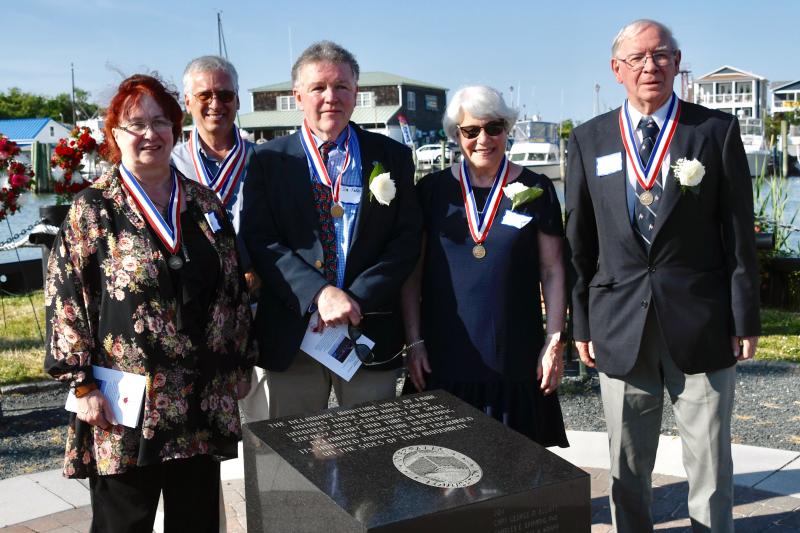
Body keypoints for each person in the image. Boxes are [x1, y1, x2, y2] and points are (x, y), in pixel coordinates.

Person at [565, 19, 761, 532]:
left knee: (711, 469)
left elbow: (738, 234)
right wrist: (580, 324)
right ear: (617, 70)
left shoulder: (714, 132)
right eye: (637, 58)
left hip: (702, 323)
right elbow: (579, 243)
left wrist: (746, 318)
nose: (649, 67)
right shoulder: (588, 140)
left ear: (677, 63)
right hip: (619, 324)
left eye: (661, 56)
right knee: (627, 470)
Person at [44, 74, 254, 533]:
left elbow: (232, 287)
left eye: (160, 122)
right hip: (125, 405)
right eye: (134, 123)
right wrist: (81, 386)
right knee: (124, 523)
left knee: (197, 522)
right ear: (114, 135)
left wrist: (239, 361)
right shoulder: (93, 209)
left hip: (201, 397)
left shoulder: (204, 202)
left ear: (175, 130)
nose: (148, 134)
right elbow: (66, 299)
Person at [240, 41, 422, 419]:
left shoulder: (392, 157)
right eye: (318, 87)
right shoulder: (268, 159)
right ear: (298, 96)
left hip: (367, 330)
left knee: (375, 452)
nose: (331, 97)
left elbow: (404, 242)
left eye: (341, 87)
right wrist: (319, 294)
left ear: (356, 93)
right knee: (294, 459)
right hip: (294, 335)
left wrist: (355, 298)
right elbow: (261, 240)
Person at [401, 85, 568, 447]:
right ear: (455, 135)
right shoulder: (431, 191)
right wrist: (413, 342)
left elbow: (553, 270)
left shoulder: (537, 187)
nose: (483, 139)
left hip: (515, 354)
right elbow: (412, 274)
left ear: (507, 128)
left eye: (493, 128)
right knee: (444, 469)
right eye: (470, 130)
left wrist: (554, 341)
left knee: (518, 467)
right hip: (445, 355)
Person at [171, 55, 266, 424]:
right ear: (187, 101)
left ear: (238, 101)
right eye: (205, 94)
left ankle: (270, 483)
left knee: (264, 420)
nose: (215, 104)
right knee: (201, 424)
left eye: (225, 95)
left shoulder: (266, 161)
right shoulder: (170, 164)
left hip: (257, 307)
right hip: (195, 313)